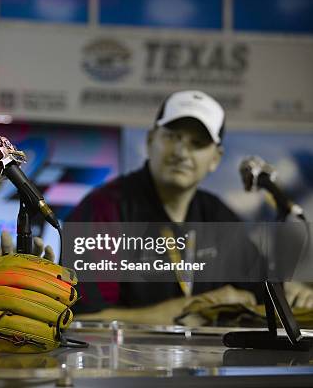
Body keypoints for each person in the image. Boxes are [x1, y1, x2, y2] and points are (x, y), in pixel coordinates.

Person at [66, 90, 313, 323]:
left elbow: (262, 287)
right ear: (151, 140)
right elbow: (83, 320)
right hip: (122, 365)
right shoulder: (103, 211)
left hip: (200, 365)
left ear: (215, 158)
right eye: (173, 137)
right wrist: (187, 309)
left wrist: (289, 292)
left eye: (197, 143)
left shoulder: (217, 214)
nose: (182, 152)